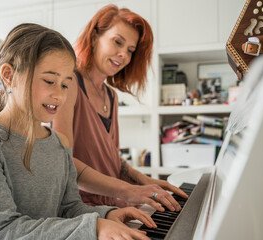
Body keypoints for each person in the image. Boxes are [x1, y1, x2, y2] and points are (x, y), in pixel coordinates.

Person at [0, 23, 157, 240]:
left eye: (65, 85)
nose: (60, 95)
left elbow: (69, 209)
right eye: (50, 81)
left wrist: (108, 214)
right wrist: (95, 227)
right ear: (9, 76)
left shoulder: (59, 143)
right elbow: (3, 229)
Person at [53, 4, 189, 213]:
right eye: (117, 42)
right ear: (94, 36)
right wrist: (128, 190)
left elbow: (109, 157)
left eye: (130, 50)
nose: (123, 54)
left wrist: (143, 180)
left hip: (113, 206)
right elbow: (63, 161)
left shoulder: (112, 96)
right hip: (80, 211)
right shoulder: (70, 83)